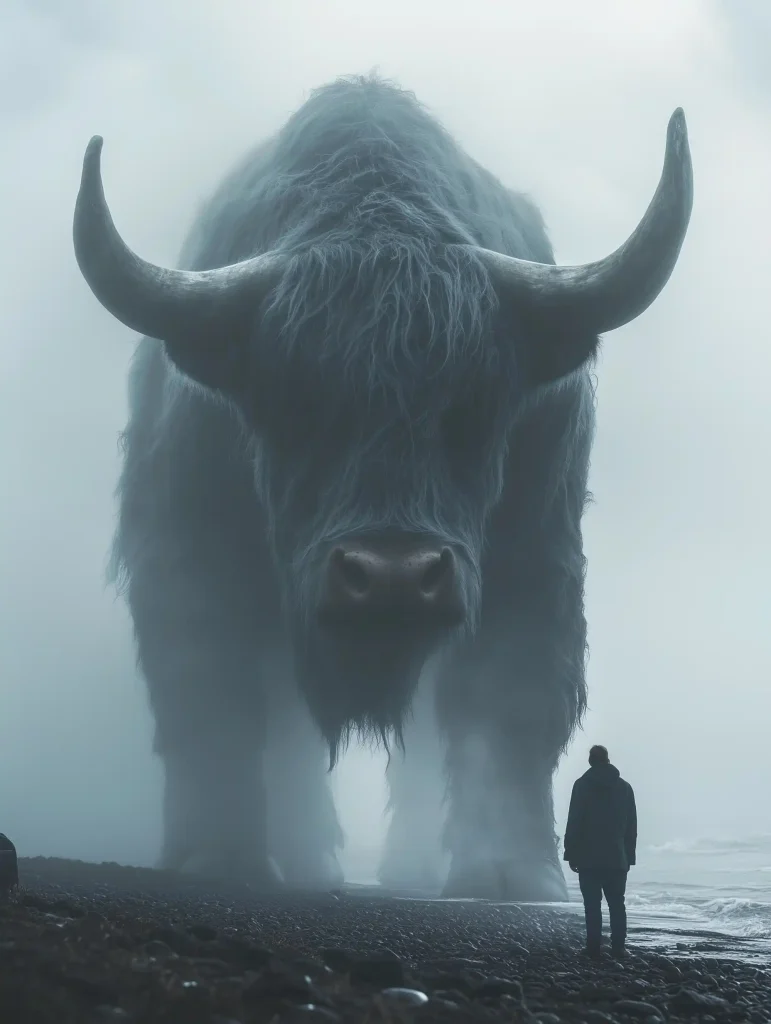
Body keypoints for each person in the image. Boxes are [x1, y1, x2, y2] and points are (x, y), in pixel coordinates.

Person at [563, 745, 637, 959]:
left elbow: (574, 821)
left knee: (592, 905)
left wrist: (571, 853)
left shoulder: (581, 786)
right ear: (607, 760)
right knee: (617, 904)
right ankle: (619, 947)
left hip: (588, 857)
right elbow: (631, 826)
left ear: (590, 761)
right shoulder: (625, 788)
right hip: (616, 857)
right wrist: (629, 856)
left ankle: (593, 947)